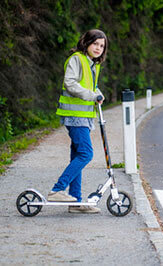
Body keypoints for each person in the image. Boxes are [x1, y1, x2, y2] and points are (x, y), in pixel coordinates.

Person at [48, 29, 108, 214]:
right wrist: (92, 95)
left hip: (84, 117)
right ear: (87, 42)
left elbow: (91, 86)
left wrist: (98, 93)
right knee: (86, 154)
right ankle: (57, 190)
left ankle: (75, 201)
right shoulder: (77, 59)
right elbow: (71, 83)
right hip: (75, 116)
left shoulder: (93, 65)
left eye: (102, 46)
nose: (98, 48)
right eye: (95, 44)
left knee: (77, 156)